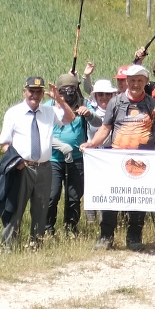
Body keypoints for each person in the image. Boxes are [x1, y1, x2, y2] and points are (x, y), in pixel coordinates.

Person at [84, 64, 155, 250]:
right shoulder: (115, 102)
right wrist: (91, 144)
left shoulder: (153, 104)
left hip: (142, 161)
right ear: (126, 82)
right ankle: (106, 237)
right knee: (111, 198)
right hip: (117, 159)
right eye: (132, 80)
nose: (135, 84)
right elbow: (105, 129)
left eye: (140, 81)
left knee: (139, 199)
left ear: (145, 82)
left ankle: (134, 237)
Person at [0, 76, 74, 248]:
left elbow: (70, 118)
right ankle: (9, 246)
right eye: (31, 91)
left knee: (41, 209)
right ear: (24, 92)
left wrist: (59, 100)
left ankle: (36, 244)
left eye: (39, 92)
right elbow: (4, 143)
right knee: (15, 209)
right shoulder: (14, 113)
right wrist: (17, 162)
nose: (35, 95)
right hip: (21, 168)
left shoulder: (49, 112)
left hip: (44, 168)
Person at [46, 69, 96, 237]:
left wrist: (88, 114)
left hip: (76, 158)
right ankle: (48, 230)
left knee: (73, 196)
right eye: (64, 89)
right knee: (52, 196)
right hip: (53, 159)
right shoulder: (48, 107)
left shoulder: (83, 104)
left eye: (72, 89)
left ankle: (71, 229)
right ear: (58, 91)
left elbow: (98, 121)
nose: (68, 93)